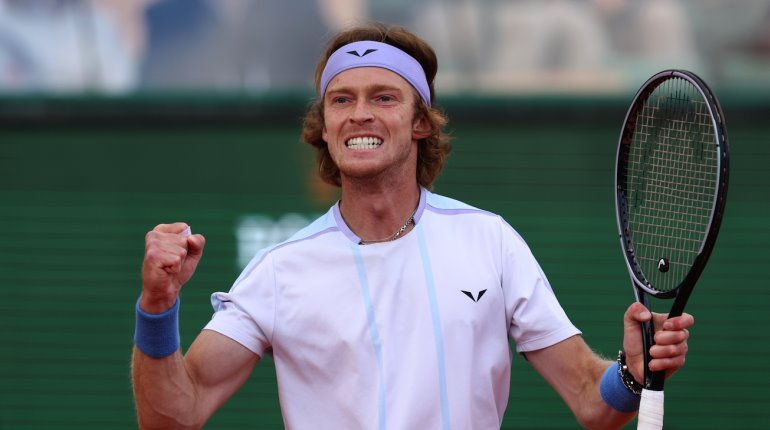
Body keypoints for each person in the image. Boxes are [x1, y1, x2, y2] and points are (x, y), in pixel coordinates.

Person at [132, 23, 694, 429]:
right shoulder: (279, 271)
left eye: (384, 97)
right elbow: (173, 416)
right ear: (324, 127)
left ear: (420, 122)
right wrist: (157, 309)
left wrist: (630, 374)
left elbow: (590, 402)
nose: (359, 114)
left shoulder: (490, 242)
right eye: (341, 100)